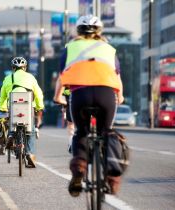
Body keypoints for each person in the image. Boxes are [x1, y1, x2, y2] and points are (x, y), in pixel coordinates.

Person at [59, 15, 124, 196]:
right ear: (99, 31)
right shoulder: (109, 49)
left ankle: (80, 166)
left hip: (80, 94)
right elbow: (117, 76)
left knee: (81, 131)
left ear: (78, 31)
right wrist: (121, 95)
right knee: (108, 131)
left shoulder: (70, 48)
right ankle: (112, 173)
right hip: (105, 94)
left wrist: (59, 96)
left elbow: (62, 74)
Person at [0, 57, 44, 168]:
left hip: (13, 102)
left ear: (13, 68)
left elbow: (3, 95)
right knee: (30, 130)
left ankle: (11, 135)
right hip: (28, 104)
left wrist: (2, 107)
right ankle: (30, 154)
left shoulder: (8, 78)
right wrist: (39, 106)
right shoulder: (30, 77)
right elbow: (38, 93)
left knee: (12, 121)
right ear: (25, 67)